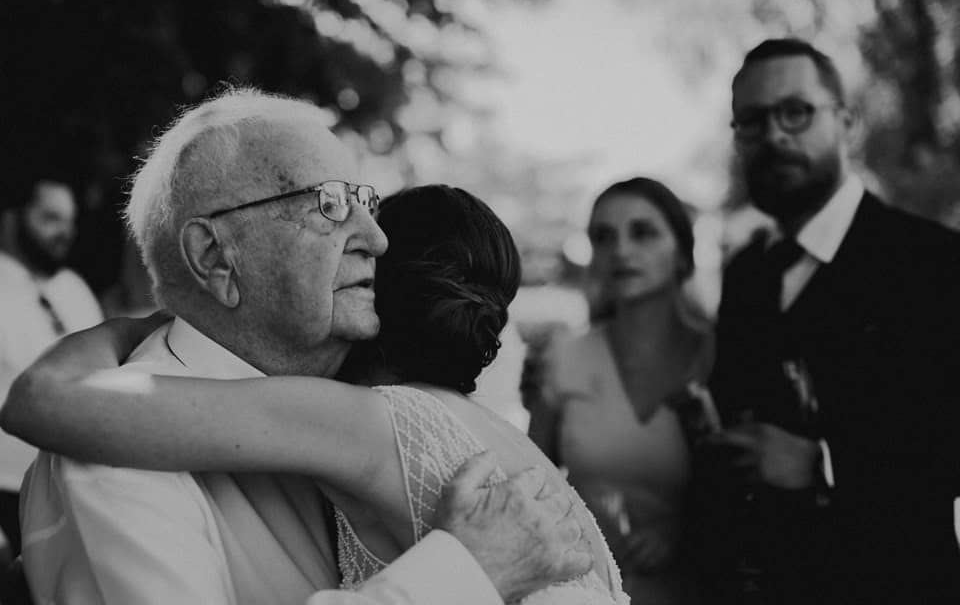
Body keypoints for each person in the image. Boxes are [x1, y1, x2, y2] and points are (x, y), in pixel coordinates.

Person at [2, 89, 590, 605]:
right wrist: (466, 575)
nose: (376, 237)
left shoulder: (389, 410)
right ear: (215, 257)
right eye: (330, 203)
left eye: (367, 201)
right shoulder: (109, 457)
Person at [699, 37, 960, 604]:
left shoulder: (935, 262)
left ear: (847, 122)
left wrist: (824, 465)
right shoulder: (747, 275)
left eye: (796, 112)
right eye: (752, 120)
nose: (774, 135)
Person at [528, 177, 712, 605]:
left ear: (683, 252)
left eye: (643, 232)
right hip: (587, 591)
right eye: (603, 237)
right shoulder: (564, 358)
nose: (621, 251)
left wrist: (685, 530)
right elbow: (531, 482)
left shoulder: (725, 358)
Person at [0, 178, 103, 556]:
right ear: (12, 218)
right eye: (50, 218)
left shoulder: (73, 287)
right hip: (8, 492)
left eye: (69, 221)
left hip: (76, 488)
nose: (65, 232)